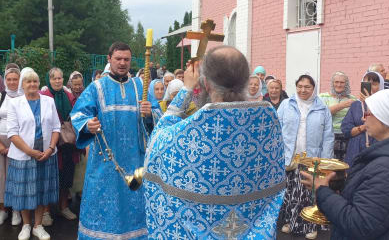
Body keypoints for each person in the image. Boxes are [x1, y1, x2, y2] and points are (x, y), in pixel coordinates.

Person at [144, 46, 286, 239]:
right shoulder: (267, 123)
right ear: (246, 81)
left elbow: (158, 139)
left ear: (207, 85)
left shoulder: (190, 134)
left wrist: (186, 89)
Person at [301, 89, 389, 240]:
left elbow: (359, 225)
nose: (364, 119)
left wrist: (321, 190)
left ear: (387, 119)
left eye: (369, 113)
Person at [70, 42, 151, 240]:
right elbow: (78, 114)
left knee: (134, 206)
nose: (122, 63)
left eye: (126, 59)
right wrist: (88, 124)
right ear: (109, 59)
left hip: (135, 163)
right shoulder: (97, 87)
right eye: (118, 59)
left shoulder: (141, 86)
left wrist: (149, 115)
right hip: (106, 164)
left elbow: (158, 117)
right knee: (103, 207)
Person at [5, 69, 60, 240]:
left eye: (35, 81)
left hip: (46, 154)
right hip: (23, 156)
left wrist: (50, 149)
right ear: (23, 84)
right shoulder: (15, 103)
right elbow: (12, 133)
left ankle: (38, 225)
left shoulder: (48, 101)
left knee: (41, 191)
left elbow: (56, 128)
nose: (32, 84)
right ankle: (26, 225)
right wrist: (30, 151)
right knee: (24, 192)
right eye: (28, 81)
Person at [277, 74, 334, 240]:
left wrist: (325, 161)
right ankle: (289, 222)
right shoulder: (286, 105)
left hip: (312, 158)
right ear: (296, 87)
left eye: (307, 87)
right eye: (300, 86)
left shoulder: (322, 108)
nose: (303, 90)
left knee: (308, 195)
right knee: (290, 194)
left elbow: (328, 136)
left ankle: (310, 225)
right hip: (290, 157)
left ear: (313, 88)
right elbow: (276, 130)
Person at [40, 67, 78, 223]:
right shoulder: (43, 95)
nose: (57, 81)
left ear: (63, 79)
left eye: (60, 78)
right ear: (49, 79)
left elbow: (76, 113)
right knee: (49, 178)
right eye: (54, 78)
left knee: (65, 178)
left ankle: (63, 207)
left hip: (67, 143)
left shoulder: (68, 95)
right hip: (50, 143)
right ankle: (46, 212)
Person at [341, 71, 384, 168]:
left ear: (380, 86)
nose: (371, 87)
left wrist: (370, 102)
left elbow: (385, 125)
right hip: (355, 149)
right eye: (367, 84)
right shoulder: (356, 105)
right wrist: (364, 127)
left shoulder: (384, 104)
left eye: (374, 84)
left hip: (377, 147)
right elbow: (346, 129)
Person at [0, 66, 22, 226]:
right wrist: (1, 146)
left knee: (16, 177)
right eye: (9, 79)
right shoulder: (1, 96)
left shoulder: (24, 97)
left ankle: (16, 210)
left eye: (15, 79)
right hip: (0, 142)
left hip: (19, 144)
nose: (12, 82)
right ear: (5, 80)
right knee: (1, 178)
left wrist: (16, 146)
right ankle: (3, 210)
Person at [319, 72, 357, 161]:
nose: (339, 85)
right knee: (328, 164)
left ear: (346, 84)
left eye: (342, 82)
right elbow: (321, 115)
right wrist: (342, 105)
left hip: (347, 137)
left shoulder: (353, 99)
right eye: (336, 82)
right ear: (332, 83)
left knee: (344, 165)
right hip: (327, 136)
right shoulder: (322, 97)